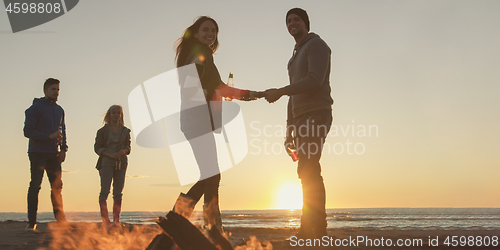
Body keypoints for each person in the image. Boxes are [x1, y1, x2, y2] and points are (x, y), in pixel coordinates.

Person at [173, 16, 262, 232]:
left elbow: (215, 87)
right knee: (212, 175)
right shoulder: (200, 55)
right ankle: (207, 226)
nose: (211, 33)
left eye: (214, 30)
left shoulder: (195, 54)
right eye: (206, 29)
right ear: (195, 33)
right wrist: (250, 94)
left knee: (210, 175)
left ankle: (188, 219)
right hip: (198, 120)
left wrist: (221, 92)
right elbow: (206, 87)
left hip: (196, 120)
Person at [264, 8, 334, 239]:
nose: (292, 23)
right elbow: (293, 96)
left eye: (296, 20)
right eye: (289, 21)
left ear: (306, 23)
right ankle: (309, 229)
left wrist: (280, 91)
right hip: (300, 117)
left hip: (317, 113)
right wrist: (289, 129)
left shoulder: (317, 46)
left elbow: (314, 80)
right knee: (306, 170)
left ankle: (315, 229)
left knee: (309, 168)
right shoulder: (294, 57)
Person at [23, 78, 68, 231]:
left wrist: (63, 149)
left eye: (58, 90)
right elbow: (27, 132)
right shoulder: (34, 109)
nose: (56, 93)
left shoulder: (60, 110)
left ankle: (61, 220)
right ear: (45, 90)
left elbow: (63, 130)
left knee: (57, 187)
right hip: (37, 153)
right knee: (35, 185)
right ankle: (31, 222)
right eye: (53, 89)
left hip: (54, 154)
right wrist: (48, 136)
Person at [94, 105, 131, 227]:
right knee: (104, 191)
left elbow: (128, 146)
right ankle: (106, 220)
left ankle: (116, 220)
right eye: (114, 113)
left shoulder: (125, 131)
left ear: (121, 115)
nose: (116, 115)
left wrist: (123, 151)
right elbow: (97, 148)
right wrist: (109, 154)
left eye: (118, 113)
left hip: (121, 162)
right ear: (109, 115)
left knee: (118, 192)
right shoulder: (102, 131)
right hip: (106, 162)